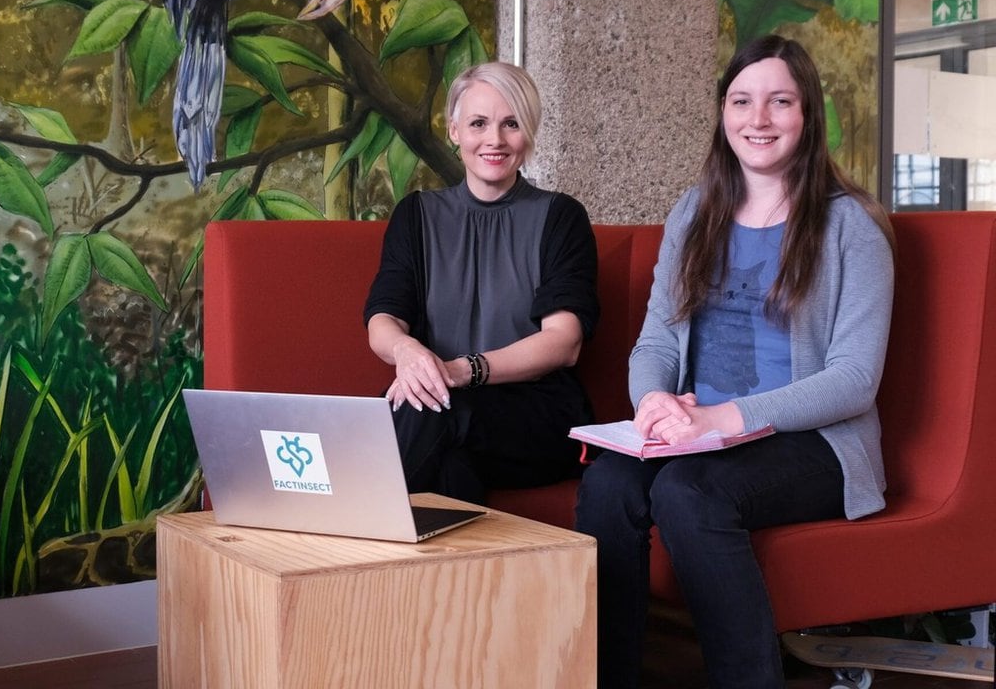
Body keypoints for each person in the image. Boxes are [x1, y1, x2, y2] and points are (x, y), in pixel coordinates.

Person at [574, 35, 895, 689]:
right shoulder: (695, 212)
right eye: (742, 101)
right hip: (701, 434)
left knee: (688, 491)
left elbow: (855, 381)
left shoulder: (851, 226)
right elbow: (656, 344)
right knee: (608, 484)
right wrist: (654, 402)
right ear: (723, 112)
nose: (759, 119)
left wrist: (723, 418)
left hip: (815, 443)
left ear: (808, 114)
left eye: (781, 102)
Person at [364, 61, 599, 504]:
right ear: (454, 131)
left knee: (428, 406)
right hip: (442, 409)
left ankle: (339, 528)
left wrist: (460, 370)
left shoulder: (561, 217)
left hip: (537, 416)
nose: (495, 139)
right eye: (478, 123)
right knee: (451, 466)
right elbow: (383, 320)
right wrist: (408, 353)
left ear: (529, 132)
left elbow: (563, 343)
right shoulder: (416, 215)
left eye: (511, 123)